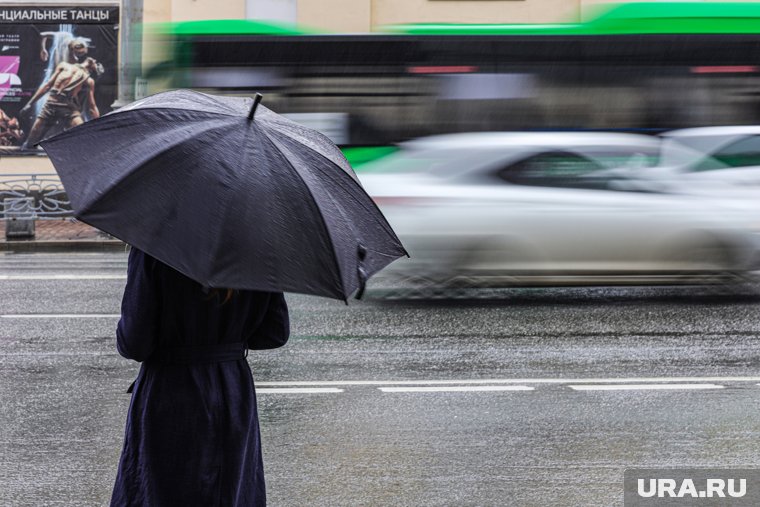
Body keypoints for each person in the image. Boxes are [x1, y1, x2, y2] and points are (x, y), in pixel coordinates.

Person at [110, 247, 289, 506]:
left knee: (160, 492)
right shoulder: (257, 248)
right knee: (229, 491)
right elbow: (274, 333)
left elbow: (134, 343)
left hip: (170, 392)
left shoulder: (155, 245)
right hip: (233, 392)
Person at [20, 57, 102, 148]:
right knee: (32, 138)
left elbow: (92, 106)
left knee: (81, 132)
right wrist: (29, 104)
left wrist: (98, 125)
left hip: (68, 108)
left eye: (97, 63)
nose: (94, 60)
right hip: (50, 105)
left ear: (94, 69)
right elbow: (47, 86)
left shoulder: (89, 81)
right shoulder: (64, 65)